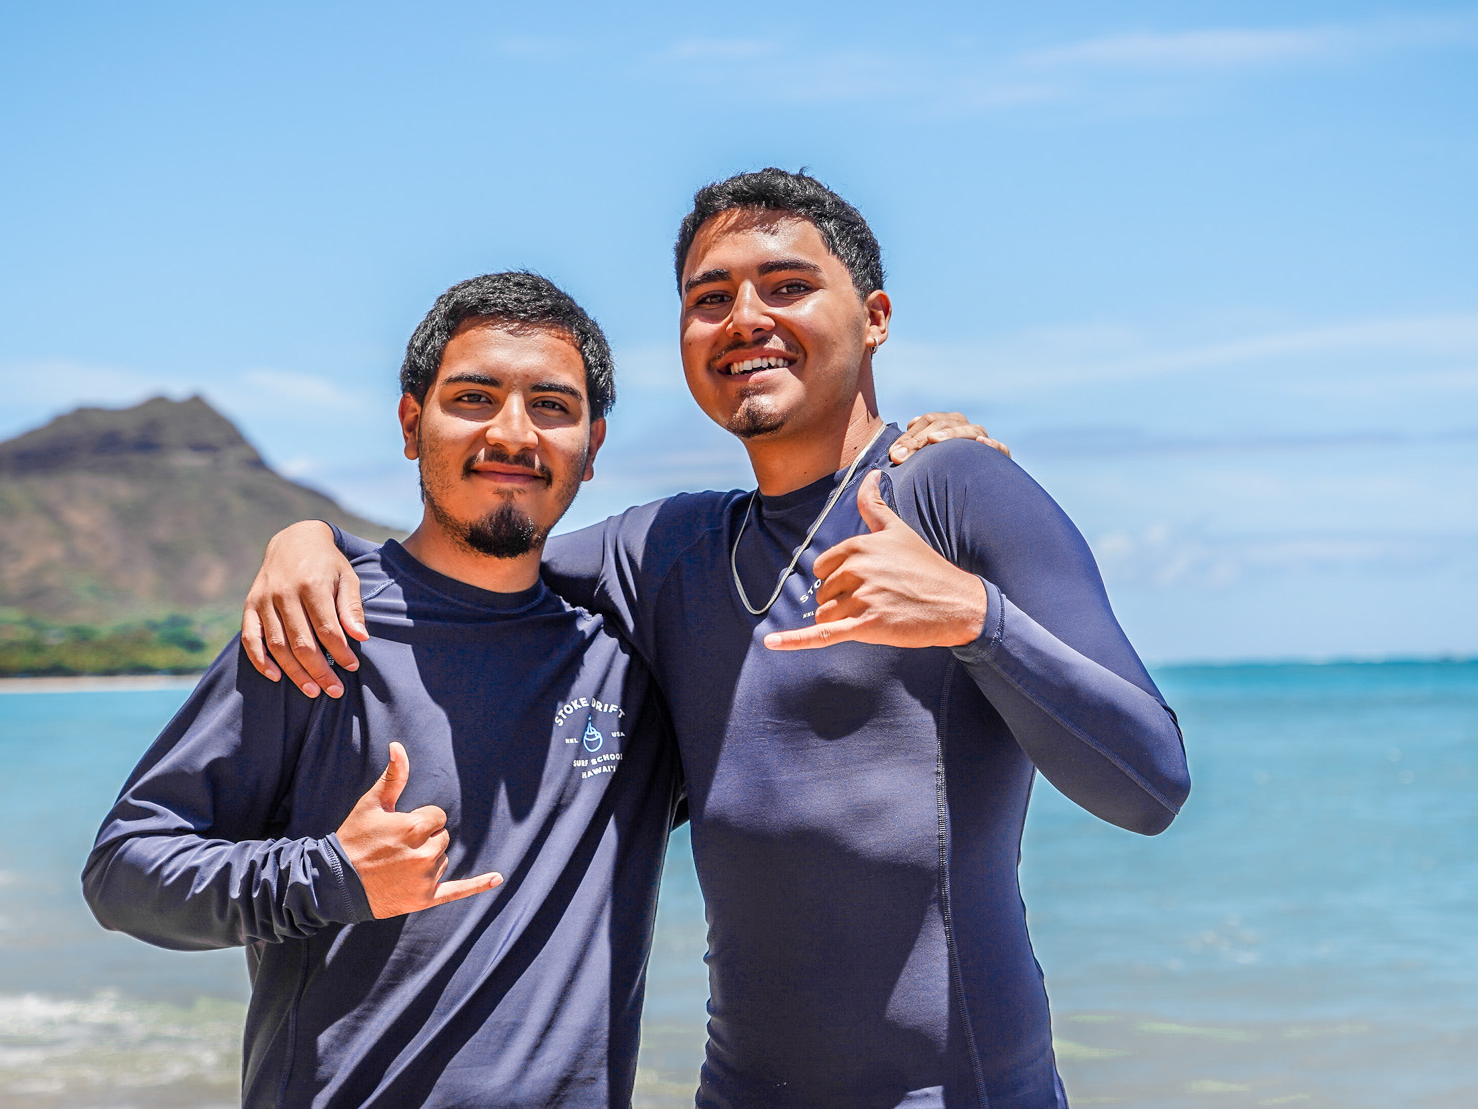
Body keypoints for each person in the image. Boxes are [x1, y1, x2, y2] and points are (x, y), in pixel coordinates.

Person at [242, 169, 1193, 1108]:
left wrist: (975, 620)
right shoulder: (669, 547)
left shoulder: (952, 492)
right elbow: (466, 557)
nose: (745, 317)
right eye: (711, 297)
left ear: (875, 319)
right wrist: (312, 541)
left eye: (787, 287)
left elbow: (1151, 785)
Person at [83, 273, 687, 1108]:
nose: (513, 432)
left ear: (593, 444)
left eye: (552, 406)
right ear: (413, 424)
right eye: (474, 397)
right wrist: (330, 874)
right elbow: (123, 871)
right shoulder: (317, 627)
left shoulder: (630, 667)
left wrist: (931, 466)